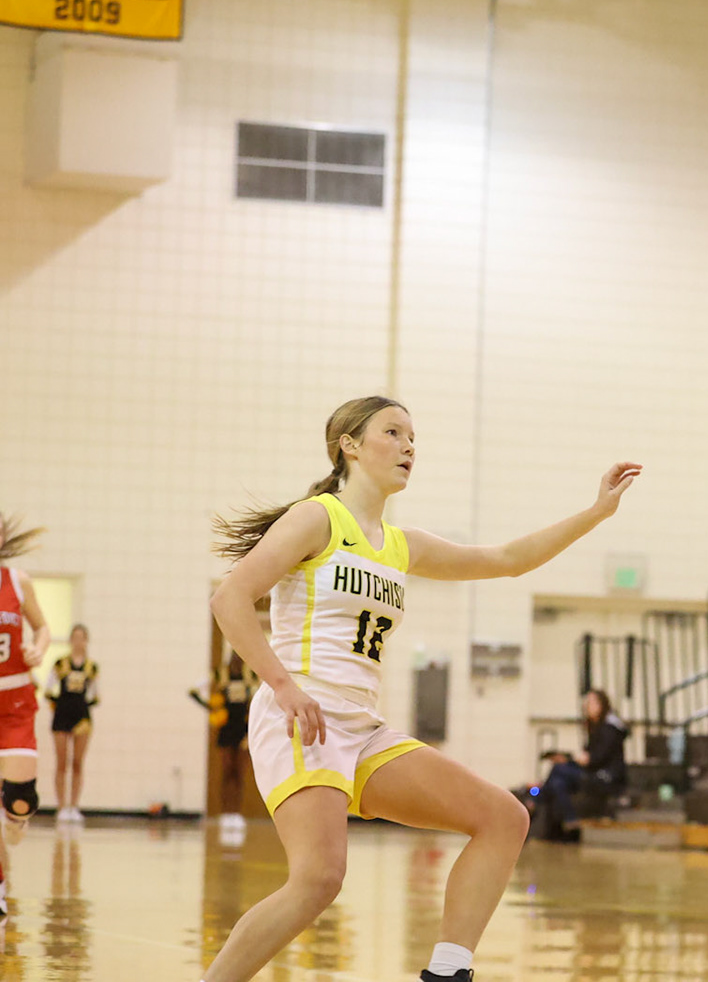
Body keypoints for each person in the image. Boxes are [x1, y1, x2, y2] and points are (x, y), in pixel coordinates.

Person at [200, 395, 641, 982]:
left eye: (414, 437)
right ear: (348, 445)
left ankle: (447, 973)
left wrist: (596, 514)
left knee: (504, 818)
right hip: (302, 713)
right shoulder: (317, 518)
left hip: (360, 726)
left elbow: (507, 559)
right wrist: (282, 686)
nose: (410, 446)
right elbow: (229, 598)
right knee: (319, 879)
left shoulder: (399, 544)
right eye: (394, 432)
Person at [0, 515, 51, 918]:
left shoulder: (18, 581)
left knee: (20, 802)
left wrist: (38, 647)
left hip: (15, 701)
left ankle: (15, 821)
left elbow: (43, 627)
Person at [535, 689, 628, 841]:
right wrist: (570, 760)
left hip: (605, 777)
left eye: (591, 702)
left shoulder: (610, 728)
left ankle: (537, 799)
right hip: (593, 772)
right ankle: (570, 820)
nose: (587, 706)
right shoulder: (596, 727)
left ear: (601, 704)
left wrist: (578, 760)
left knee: (558, 770)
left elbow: (596, 758)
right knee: (558, 782)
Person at [193, 652, 257, 834]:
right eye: (233, 658)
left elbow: (259, 694)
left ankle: (237, 813)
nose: (236, 661)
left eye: (239, 658)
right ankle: (225, 813)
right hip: (226, 728)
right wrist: (212, 708)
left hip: (243, 728)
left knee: (239, 772)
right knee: (226, 770)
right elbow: (194, 690)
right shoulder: (220, 674)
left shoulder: (250, 675)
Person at [45, 624, 98, 824]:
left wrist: (83, 705)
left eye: (81, 637)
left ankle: (74, 806)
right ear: (70, 640)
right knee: (61, 762)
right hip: (62, 715)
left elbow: (96, 695)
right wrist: (59, 705)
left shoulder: (91, 667)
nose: (78, 641)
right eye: (74, 637)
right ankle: (61, 807)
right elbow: (48, 689)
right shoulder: (61, 663)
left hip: (82, 717)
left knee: (77, 763)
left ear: (86, 641)